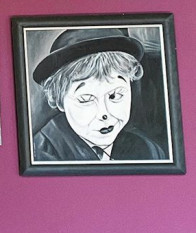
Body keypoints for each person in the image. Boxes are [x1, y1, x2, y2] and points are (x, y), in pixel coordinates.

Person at [32, 27, 165, 162]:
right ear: (58, 100)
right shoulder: (40, 155)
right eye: (86, 99)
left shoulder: (149, 151)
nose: (104, 113)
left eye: (115, 96)